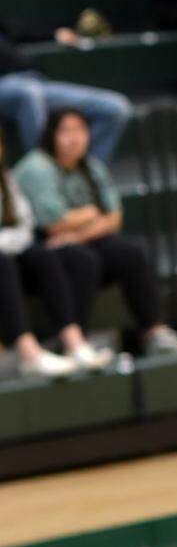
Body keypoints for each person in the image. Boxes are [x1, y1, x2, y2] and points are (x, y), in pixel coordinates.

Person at [15, 108, 177, 357]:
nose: (74, 138)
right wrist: (91, 213)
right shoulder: (36, 168)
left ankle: (154, 333)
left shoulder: (91, 166)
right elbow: (55, 223)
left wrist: (79, 231)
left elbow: (114, 218)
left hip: (80, 242)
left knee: (130, 252)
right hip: (40, 252)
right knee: (83, 259)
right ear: (51, 135)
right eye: (66, 131)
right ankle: (73, 342)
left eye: (80, 130)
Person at [0, 127, 95, 378]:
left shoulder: (5, 179)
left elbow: (25, 225)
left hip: (10, 253)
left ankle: (73, 342)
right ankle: (29, 354)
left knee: (44, 255)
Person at [0, 19, 130, 163]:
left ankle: (85, 176)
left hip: (34, 80)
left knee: (115, 107)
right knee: (27, 93)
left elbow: (20, 29)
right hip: (10, 87)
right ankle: (48, 171)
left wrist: (55, 34)